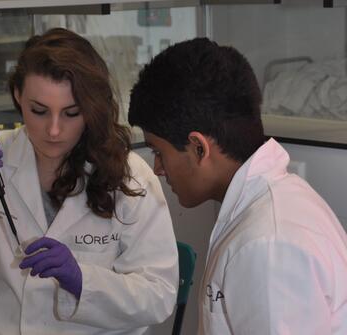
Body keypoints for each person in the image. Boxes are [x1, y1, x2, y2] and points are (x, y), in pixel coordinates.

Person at [0, 28, 178, 335]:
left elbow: (158, 296)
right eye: (39, 111)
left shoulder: (130, 176)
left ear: (91, 108)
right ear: (17, 97)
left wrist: (82, 281)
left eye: (71, 113)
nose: (53, 130)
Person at [128, 37, 347, 334]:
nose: (157, 169)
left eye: (158, 152)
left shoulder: (267, 244)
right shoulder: (267, 206)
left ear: (198, 148)